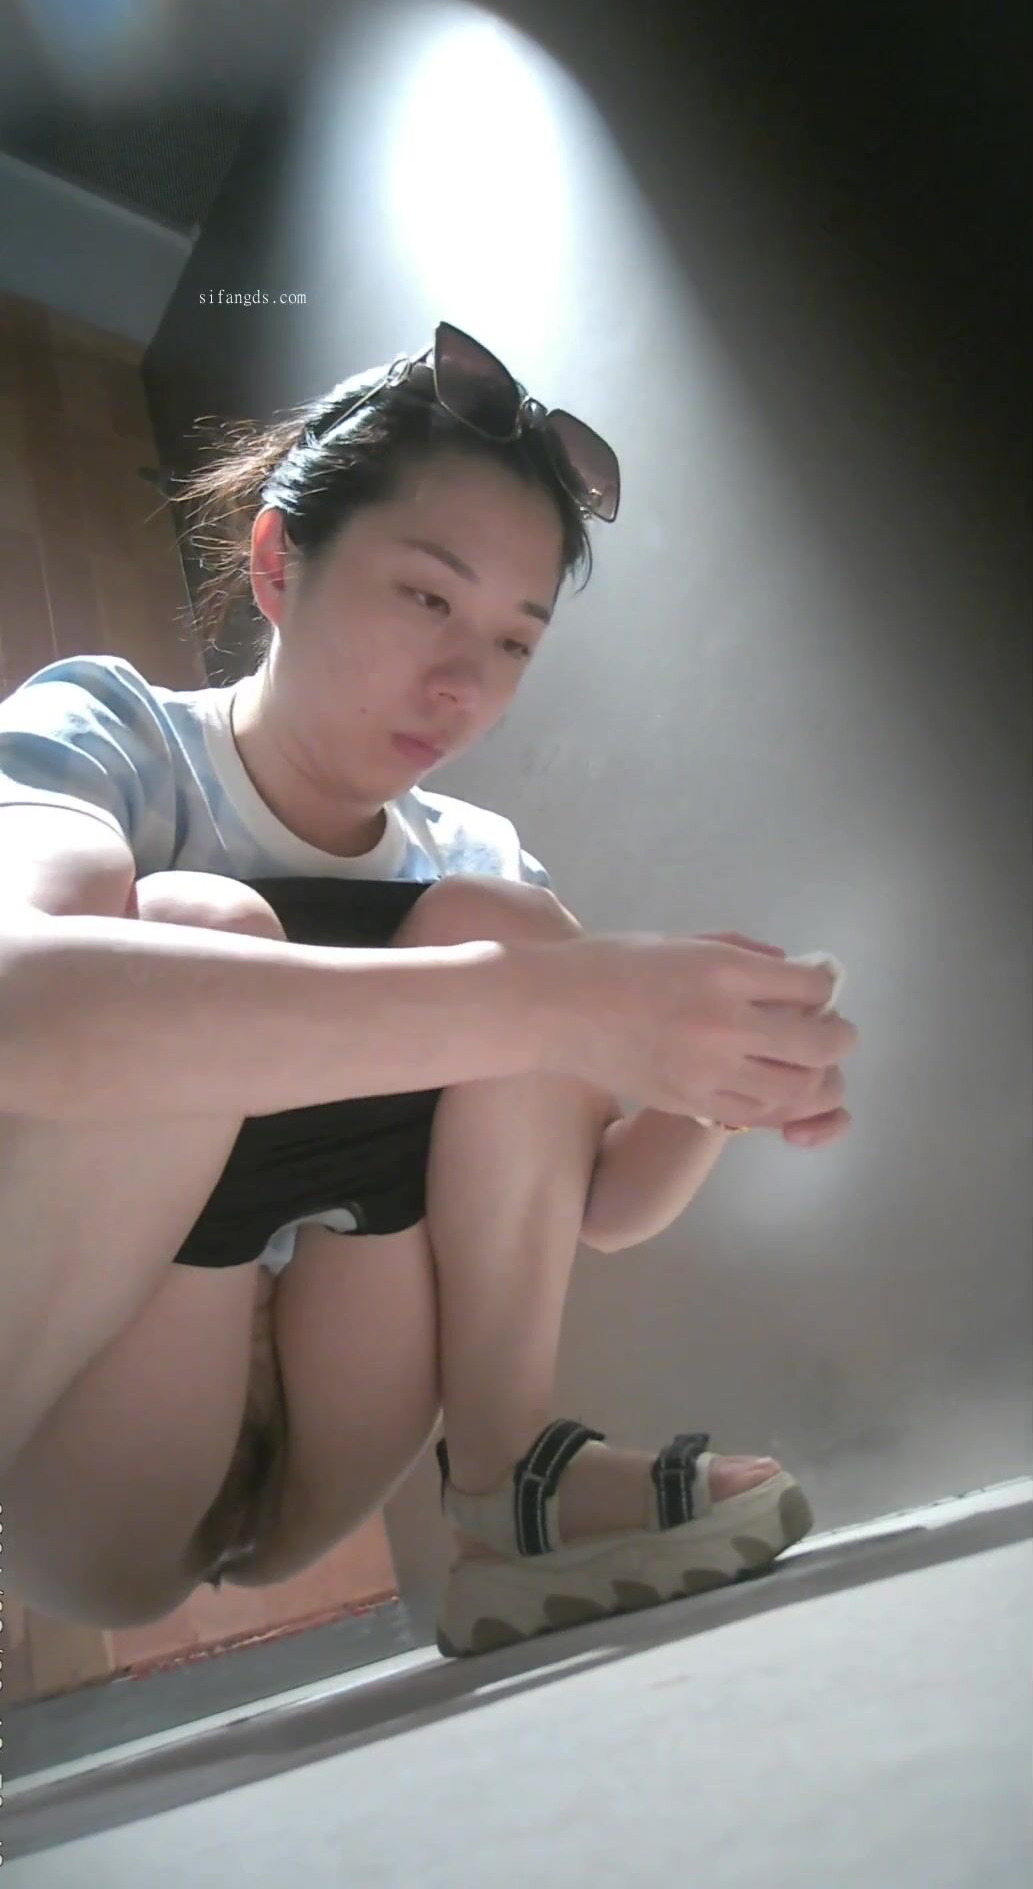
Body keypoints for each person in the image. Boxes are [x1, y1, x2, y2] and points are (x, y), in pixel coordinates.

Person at [0, 322, 856, 1658]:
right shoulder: (112, 735)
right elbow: (17, 1000)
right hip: (85, 1440)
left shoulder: (473, 857)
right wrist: (558, 1003)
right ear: (278, 562)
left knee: (493, 923)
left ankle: (511, 1486)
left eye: (513, 641)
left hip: (340, 1427)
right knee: (205, 923)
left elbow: (595, 1207)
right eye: (425, 599)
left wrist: (719, 1084)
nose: (463, 683)